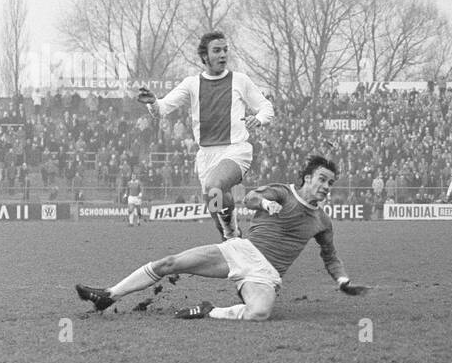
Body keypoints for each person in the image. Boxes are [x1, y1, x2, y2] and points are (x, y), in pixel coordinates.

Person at [75, 155, 368, 321]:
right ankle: (108, 295)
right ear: (307, 178)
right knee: (170, 263)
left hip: (267, 275)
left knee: (259, 314)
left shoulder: (322, 221)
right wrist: (266, 204)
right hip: (241, 252)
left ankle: (208, 310)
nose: (326, 186)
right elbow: (252, 197)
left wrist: (343, 281)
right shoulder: (283, 191)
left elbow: (330, 256)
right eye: (322, 179)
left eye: (330, 182)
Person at [137, 31, 274, 241]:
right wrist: (152, 101)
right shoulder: (192, 84)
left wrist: (260, 119)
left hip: (235, 150)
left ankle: (231, 234)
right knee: (215, 201)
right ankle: (233, 241)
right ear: (205, 57)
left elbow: (266, 107)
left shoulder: (240, 80)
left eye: (225, 50)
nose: (222, 55)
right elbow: (161, 110)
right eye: (217, 50)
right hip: (206, 156)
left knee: (215, 186)